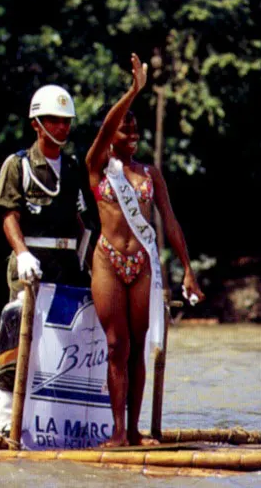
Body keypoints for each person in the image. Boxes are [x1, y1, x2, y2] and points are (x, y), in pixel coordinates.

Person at [85, 53, 204, 447]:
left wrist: (187, 269)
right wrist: (134, 91)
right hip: (107, 260)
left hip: (142, 265)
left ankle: (133, 431)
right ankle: (117, 432)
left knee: (136, 348)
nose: (132, 135)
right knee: (116, 345)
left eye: (136, 130)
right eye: (126, 129)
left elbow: (169, 221)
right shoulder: (97, 167)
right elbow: (104, 128)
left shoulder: (150, 175)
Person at [0, 84, 96, 434]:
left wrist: (91, 261)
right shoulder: (18, 165)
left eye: (67, 120)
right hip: (30, 267)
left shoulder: (72, 166)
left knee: (65, 344)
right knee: (19, 336)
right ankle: (7, 419)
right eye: (54, 119)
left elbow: (81, 220)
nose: (62, 127)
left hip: (66, 266)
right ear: (37, 123)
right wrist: (22, 253)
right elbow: (9, 216)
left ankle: (55, 419)